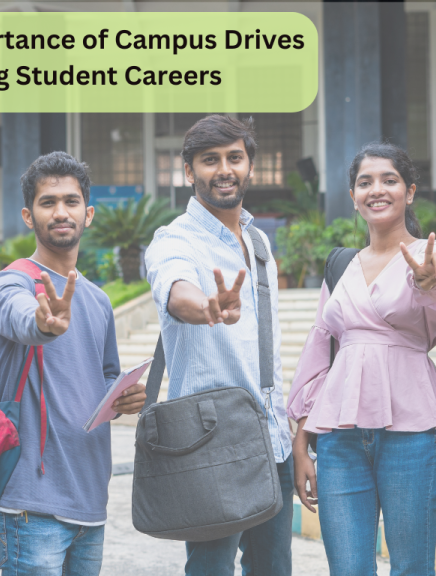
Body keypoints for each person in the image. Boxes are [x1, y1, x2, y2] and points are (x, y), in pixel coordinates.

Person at [0, 151, 145, 576]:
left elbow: (107, 376)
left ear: (89, 213)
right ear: (29, 215)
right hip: (30, 504)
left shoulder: (98, 301)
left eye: (71, 201)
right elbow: (22, 318)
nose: (61, 211)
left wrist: (125, 395)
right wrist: (45, 322)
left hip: (90, 502)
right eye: (48, 202)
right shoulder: (13, 282)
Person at [288, 142, 436, 575]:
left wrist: (426, 281)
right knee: (347, 569)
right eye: (365, 182)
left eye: (389, 180)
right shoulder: (340, 265)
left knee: (411, 567)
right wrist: (300, 438)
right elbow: (319, 347)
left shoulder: (433, 255)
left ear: (410, 191)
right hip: (339, 437)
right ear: (353, 196)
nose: (376, 189)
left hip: (413, 432)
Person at [145, 115, 293, 576]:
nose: (224, 169)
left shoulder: (258, 240)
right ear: (189, 171)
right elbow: (176, 288)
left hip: (272, 436)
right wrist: (206, 306)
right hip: (210, 438)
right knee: (210, 568)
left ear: (250, 165)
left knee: (273, 569)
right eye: (210, 160)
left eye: (234, 157)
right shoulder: (174, 240)